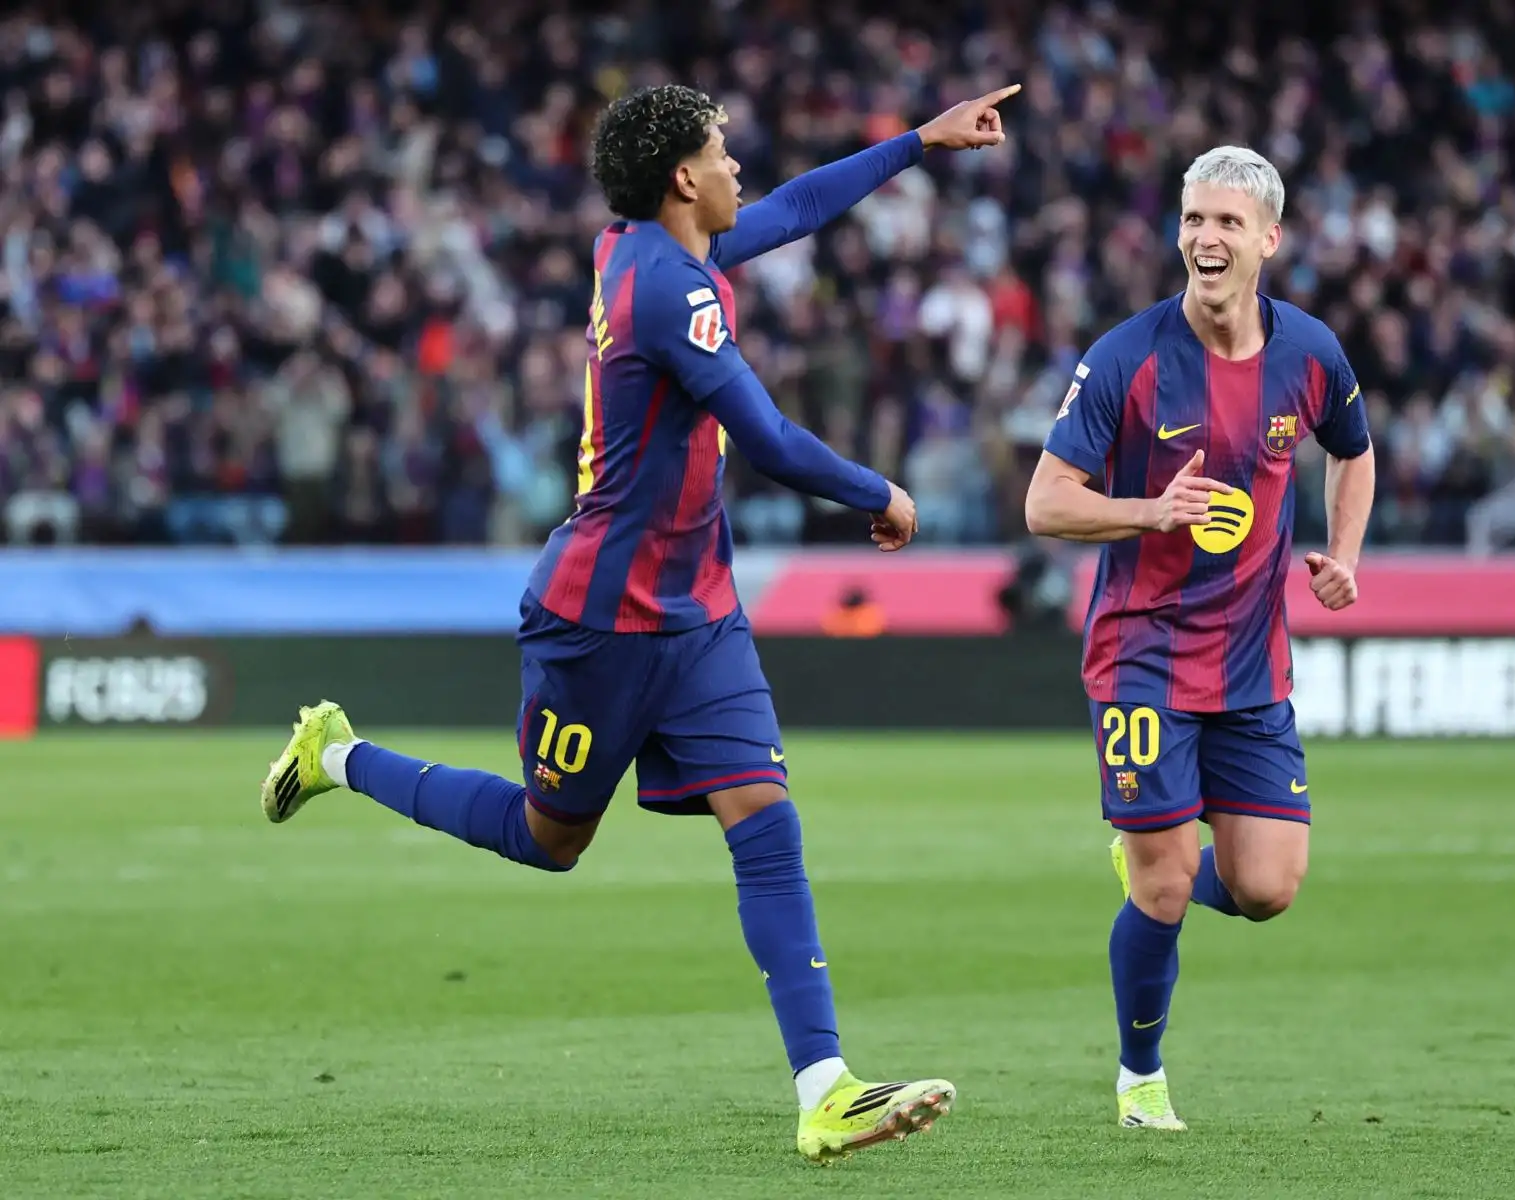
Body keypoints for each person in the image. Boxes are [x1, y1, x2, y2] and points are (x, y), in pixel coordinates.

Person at [258, 81, 1019, 1163]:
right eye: (722, 150)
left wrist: (915, 143)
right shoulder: (669, 291)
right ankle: (339, 755)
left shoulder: (640, 246)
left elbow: (795, 208)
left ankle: (827, 1087)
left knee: (765, 815)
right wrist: (880, 495)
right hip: (599, 622)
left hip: (698, 607)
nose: (737, 166)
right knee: (548, 836)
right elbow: (763, 438)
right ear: (682, 179)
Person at [1021, 145, 1377, 1131]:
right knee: (1169, 882)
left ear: (1270, 239)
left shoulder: (1310, 354)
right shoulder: (1126, 358)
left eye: (1226, 223)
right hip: (1140, 657)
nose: (1206, 240)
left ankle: (1153, 855)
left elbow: (1354, 453)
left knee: (1266, 889)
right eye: (1192, 220)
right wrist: (1148, 511)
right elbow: (1046, 504)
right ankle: (1141, 1079)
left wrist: (1344, 553)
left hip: (1254, 664)